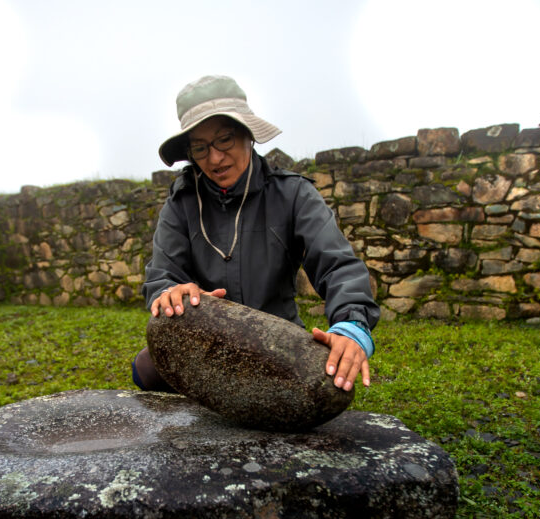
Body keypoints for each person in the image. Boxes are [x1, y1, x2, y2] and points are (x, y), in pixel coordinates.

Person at [133, 74, 379, 394]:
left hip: (279, 343)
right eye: (200, 148)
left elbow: (337, 264)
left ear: (248, 134)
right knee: (147, 370)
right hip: (207, 343)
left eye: (225, 139)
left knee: (328, 381)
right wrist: (171, 294)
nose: (215, 157)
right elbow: (161, 276)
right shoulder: (181, 204)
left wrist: (352, 325)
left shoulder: (293, 194)